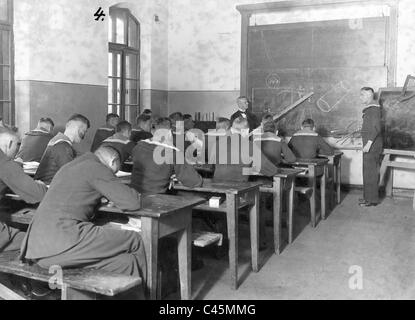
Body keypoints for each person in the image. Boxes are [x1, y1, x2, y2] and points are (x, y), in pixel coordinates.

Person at [21, 146, 147, 281]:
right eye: (114, 173)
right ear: (113, 162)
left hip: (39, 249)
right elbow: (132, 202)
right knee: (136, 239)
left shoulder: (70, 166)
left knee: (126, 263)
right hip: (64, 240)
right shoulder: (96, 167)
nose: (113, 175)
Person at [0, 130, 48, 252]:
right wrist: (40, 185)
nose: (17, 152)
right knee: (41, 239)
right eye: (17, 145)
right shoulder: (4, 163)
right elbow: (38, 195)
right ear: (10, 143)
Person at [130, 117, 202, 194]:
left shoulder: (138, 146)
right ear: (170, 132)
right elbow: (194, 182)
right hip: (156, 198)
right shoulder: (172, 152)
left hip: (133, 194)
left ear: (152, 131)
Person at [34, 114, 90, 185]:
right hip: (48, 188)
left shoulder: (59, 140)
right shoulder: (62, 145)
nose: (84, 135)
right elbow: (70, 175)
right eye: (84, 131)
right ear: (77, 128)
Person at [359, 87, 383, 207]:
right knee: (367, 172)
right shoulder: (370, 109)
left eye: (362, 95)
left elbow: (376, 128)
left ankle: (372, 200)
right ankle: (367, 198)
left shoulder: (373, 109)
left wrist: (368, 144)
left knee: (371, 173)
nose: (360, 97)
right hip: (370, 145)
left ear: (369, 96)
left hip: (372, 146)